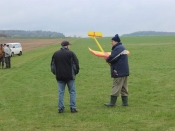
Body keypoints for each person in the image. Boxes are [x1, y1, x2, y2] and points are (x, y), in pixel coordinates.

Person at [51, 40, 79, 113]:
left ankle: (61, 108)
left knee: (61, 93)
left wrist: (55, 73)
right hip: (70, 76)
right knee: (72, 92)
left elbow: (53, 66)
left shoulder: (56, 54)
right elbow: (76, 64)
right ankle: (73, 107)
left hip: (59, 76)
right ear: (67, 46)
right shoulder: (71, 53)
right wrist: (75, 72)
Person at [104, 34, 129, 107]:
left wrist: (107, 59)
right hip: (124, 71)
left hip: (119, 71)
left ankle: (112, 103)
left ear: (116, 41)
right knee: (124, 87)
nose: (111, 42)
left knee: (116, 86)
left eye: (112, 41)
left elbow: (112, 58)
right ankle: (125, 103)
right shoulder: (122, 47)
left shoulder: (118, 48)